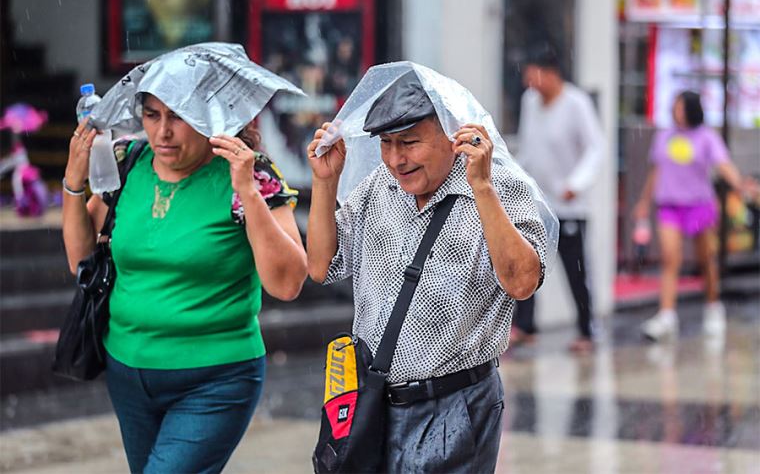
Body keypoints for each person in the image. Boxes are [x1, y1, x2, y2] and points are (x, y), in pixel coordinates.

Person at [307, 70, 549, 472]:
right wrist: (325, 184)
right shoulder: (377, 188)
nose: (396, 159)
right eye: (387, 144)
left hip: (458, 406)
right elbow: (320, 266)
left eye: (410, 142)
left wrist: (483, 189)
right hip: (375, 403)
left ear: (452, 134)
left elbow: (522, 282)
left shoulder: (501, 187)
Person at [62, 93, 308, 473]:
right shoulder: (130, 161)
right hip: (127, 371)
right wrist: (74, 185)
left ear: (210, 118)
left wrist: (248, 191)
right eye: (151, 115)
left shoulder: (249, 170)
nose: (163, 132)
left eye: (178, 117)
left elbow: (288, 283)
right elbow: (81, 260)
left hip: (215, 378)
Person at [512, 48, 604, 353]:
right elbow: (528, 147)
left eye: (533, 75)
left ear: (551, 73)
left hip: (569, 206)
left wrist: (575, 184)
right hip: (538, 203)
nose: (529, 83)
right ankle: (526, 324)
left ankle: (586, 329)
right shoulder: (530, 103)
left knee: (575, 270)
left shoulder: (576, 103)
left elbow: (596, 148)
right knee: (528, 263)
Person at [634, 90, 743, 341]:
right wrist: (643, 201)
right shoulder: (664, 137)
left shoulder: (706, 137)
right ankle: (667, 315)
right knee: (670, 259)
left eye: (680, 106)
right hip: (669, 205)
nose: (675, 110)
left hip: (698, 205)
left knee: (706, 260)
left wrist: (740, 185)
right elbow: (656, 171)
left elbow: (723, 164)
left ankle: (713, 307)